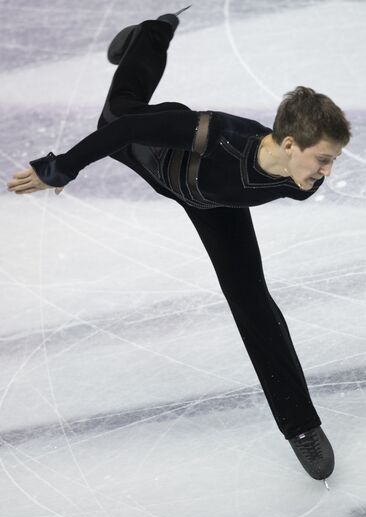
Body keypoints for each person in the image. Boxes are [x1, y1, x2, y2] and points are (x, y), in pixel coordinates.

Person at [6, 6, 351, 482]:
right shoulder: (220, 135)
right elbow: (124, 133)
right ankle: (153, 32)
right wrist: (59, 169)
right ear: (289, 144)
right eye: (323, 159)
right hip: (150, 154)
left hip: (212, 204)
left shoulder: (301, 181)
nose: (327, 173)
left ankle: (301, 426)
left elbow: (249, 188)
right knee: (120, 109)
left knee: (252, 302)